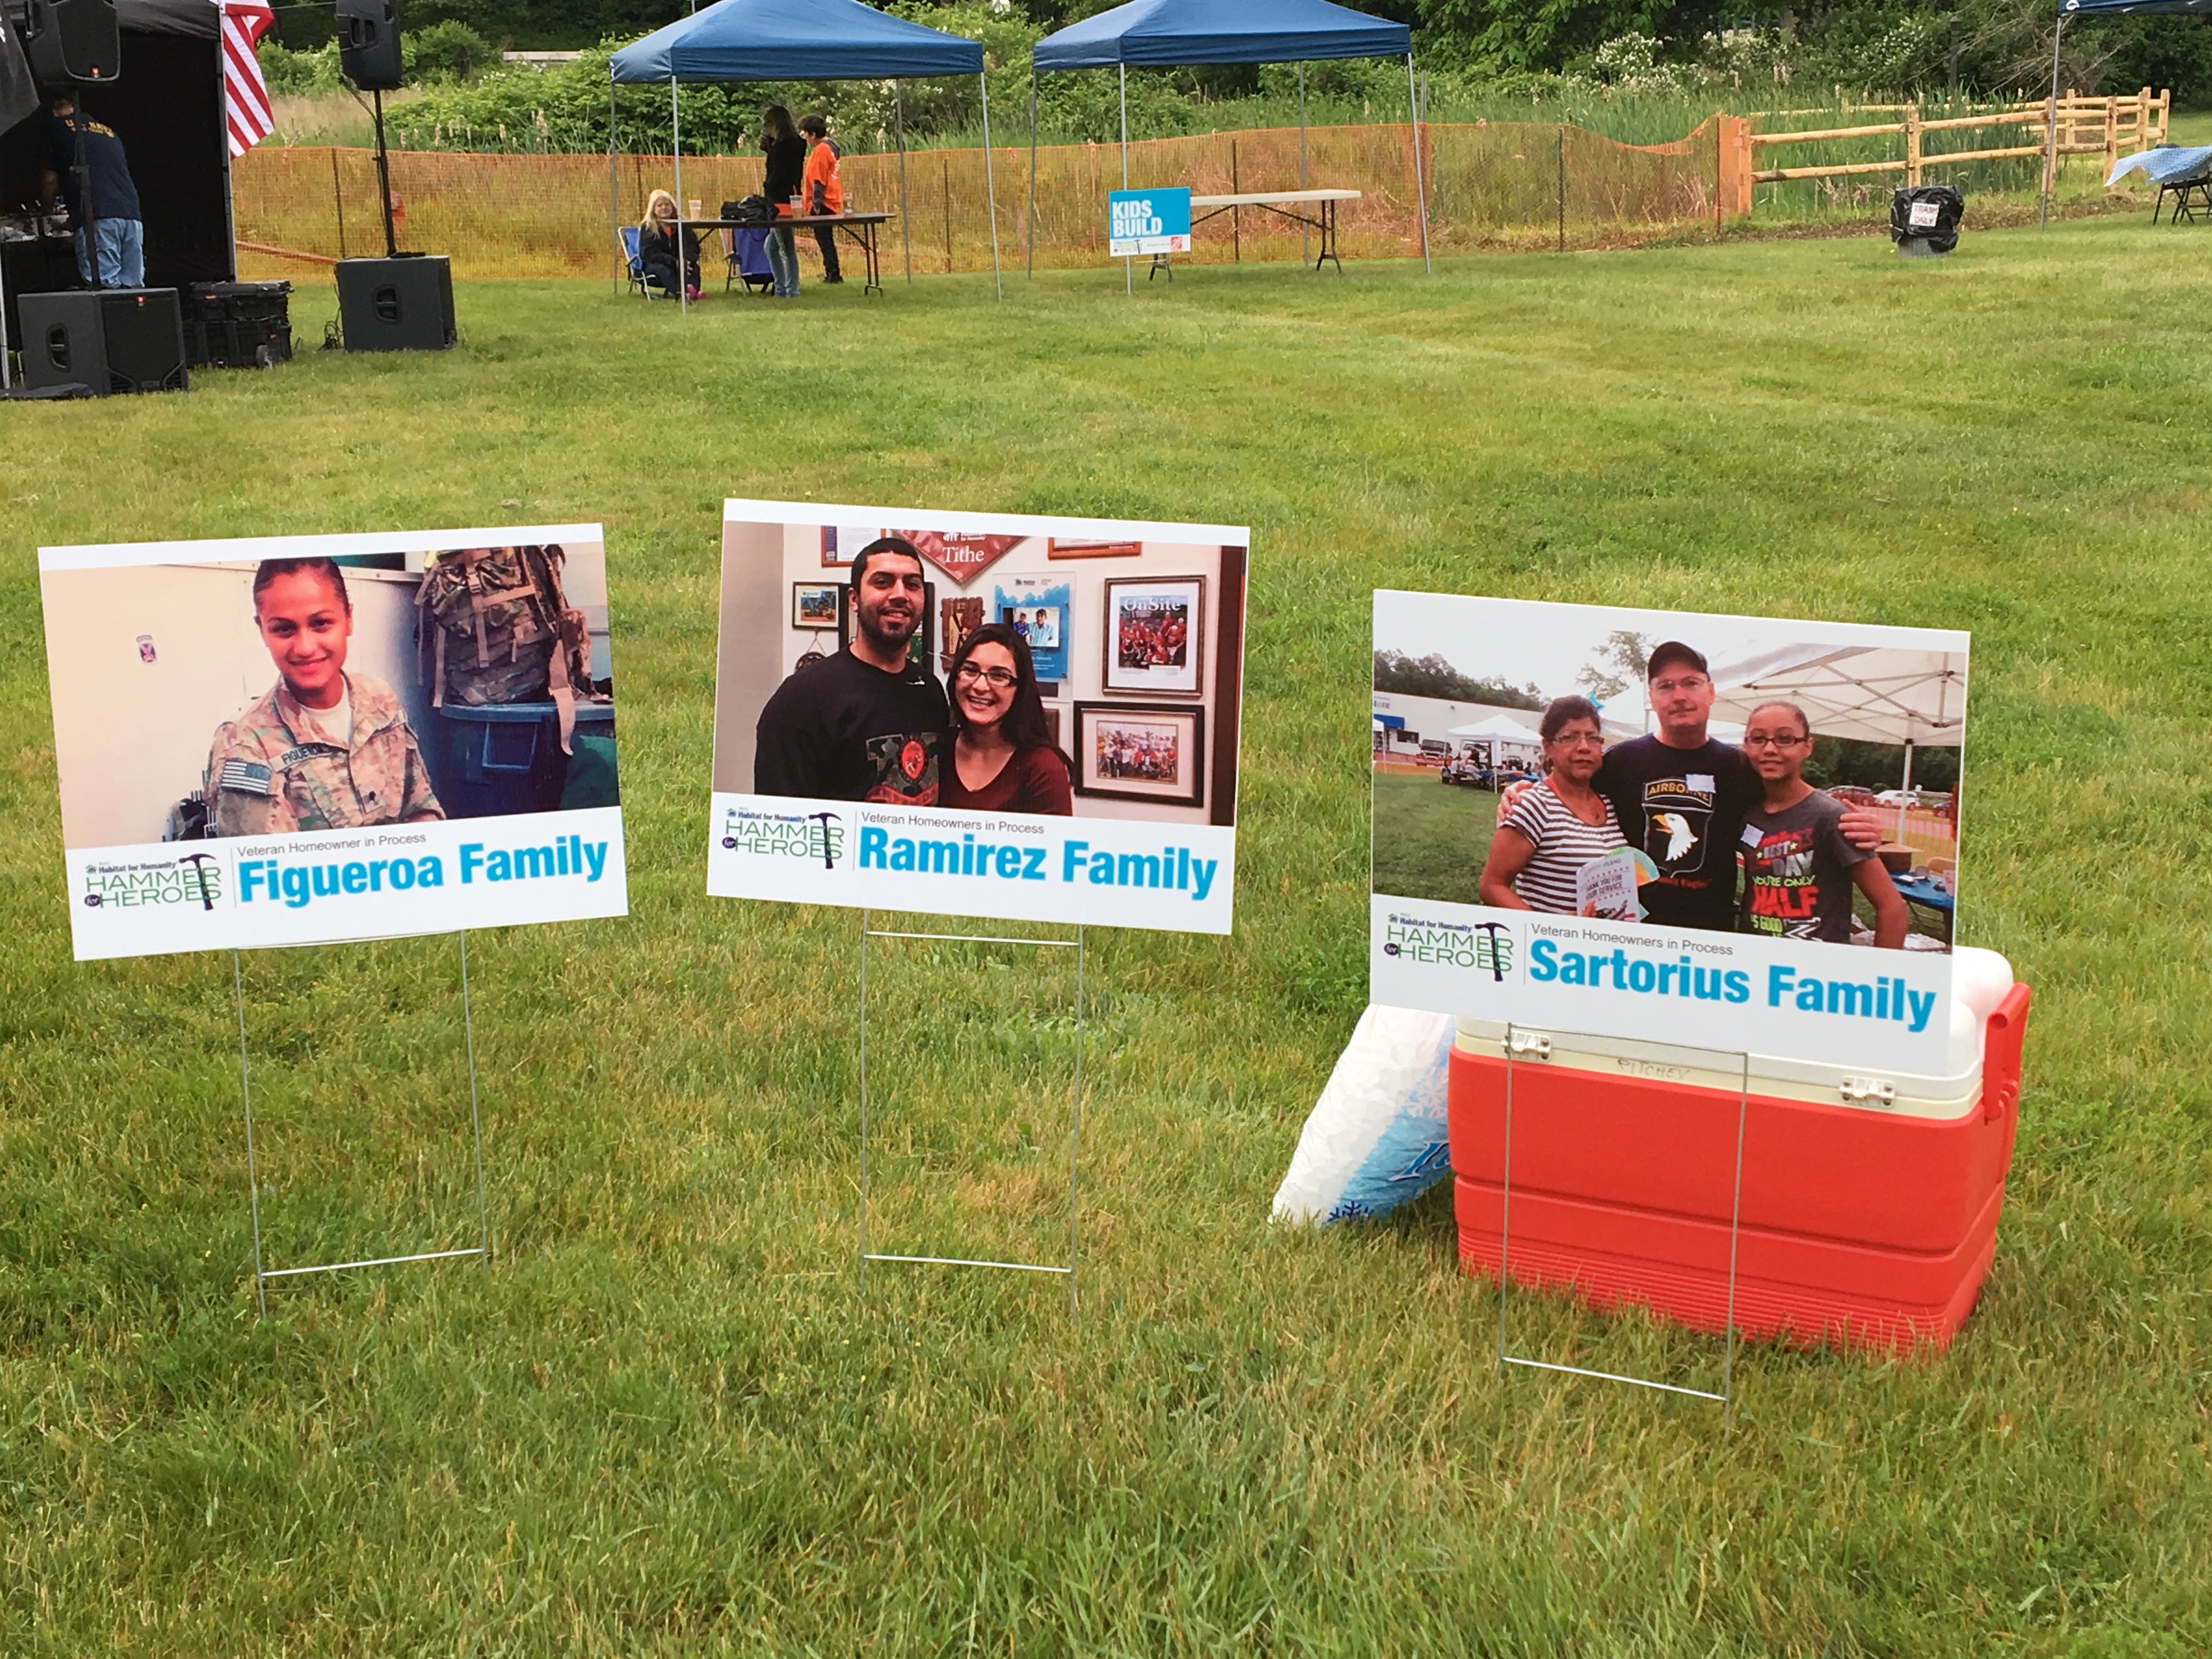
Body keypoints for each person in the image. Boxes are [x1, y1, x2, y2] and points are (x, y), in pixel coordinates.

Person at [1504, 641, 1882, 933]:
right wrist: (1519, 793)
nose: (1679, 696)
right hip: (1631, 932)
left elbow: (1793, 800)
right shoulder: (1621, 761)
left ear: (1711, 692)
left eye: (1691, 683)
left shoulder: (1739, 767)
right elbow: (1566, 789)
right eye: (1666, 686)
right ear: (1652, 697)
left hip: (1711, 936)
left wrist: (1849, 818)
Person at [205, 558, 443, 836]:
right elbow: (270, 861)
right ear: (263, 631)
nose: (305, 648)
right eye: (284, 629)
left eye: (321, 624)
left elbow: (422, 808)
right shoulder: (246, 745)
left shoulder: (379, 699)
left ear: (349, 619)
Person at [754, 537, 945, 802]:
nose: (900, 594)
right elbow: (781, 817)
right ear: (854, 599)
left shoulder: (931, 690)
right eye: (883, 582)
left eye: (912, 585)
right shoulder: (803, 697)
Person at [1739, 701, 1908, 946]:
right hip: (1756, 956)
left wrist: (1880, 969)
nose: (1770, 749)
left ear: (1807, 747)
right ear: (1746, 746)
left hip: (1816, 965)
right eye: (1758, 739)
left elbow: (1892, 908)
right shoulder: (1749, 814)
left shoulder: (1831, 816)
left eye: (1785, 739)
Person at [1479, 697, 1628, 915]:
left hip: (1611, 937)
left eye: (1592, 737)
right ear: (1548, 747)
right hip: (1557, 937)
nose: (1584, 747)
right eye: (1570, 737)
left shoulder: (1608, 803)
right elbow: (1492, 886)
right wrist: (1551, 927)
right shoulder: (1532, 805)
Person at [939, 623, 1073, 814]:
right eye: (970, 670)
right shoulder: (937, 749)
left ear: (1020, 689)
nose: (980, 686)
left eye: (999, 675)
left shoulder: (1043, 768)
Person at [39, 89, 143, 289]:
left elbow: (50, 180)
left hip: (97, 217)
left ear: (53, 109)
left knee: (103, 287)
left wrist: (46, 212)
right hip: (131, 217)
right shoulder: (107, 131)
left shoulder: (56, 128)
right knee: (133, 289)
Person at [760, 104, 806, 298]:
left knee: (786, 246)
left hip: (780, 199)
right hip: (793, 196)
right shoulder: (798, 144)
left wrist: (767, 187)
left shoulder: (780, 147)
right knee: (771, 247)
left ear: (774, 124)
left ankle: (791, 289)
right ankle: (781, 287)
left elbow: (777, 172)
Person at [797, 113, 844, 285]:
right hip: (831, 200)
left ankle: (833, 273)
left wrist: (816, 206)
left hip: (823, 202)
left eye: (806, 133)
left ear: (813, 134)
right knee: (826, 238)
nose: (805, 137)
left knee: (824, 239)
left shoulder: (821, 151)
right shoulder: (831, 148)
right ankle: (832, 272)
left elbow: (818, 180)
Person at [636, 189, 701, 300]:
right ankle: (682, 293)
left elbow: (693, 246)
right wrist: (675, 262)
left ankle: (693, 290)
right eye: (659, 205)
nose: (664, 208)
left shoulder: (682, 225)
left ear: (673, 207)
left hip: (680, 263)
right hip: (654, 265)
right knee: (663, 270)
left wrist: (686, 261)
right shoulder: (648, 227)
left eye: (667, 204)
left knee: (694, 267)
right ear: (653, 209)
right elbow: (650, 254)